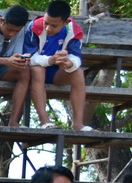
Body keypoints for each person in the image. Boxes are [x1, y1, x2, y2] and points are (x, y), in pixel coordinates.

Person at [24, 1, 88, 131]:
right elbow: (28, 57)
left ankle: (78, 124)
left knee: (78, 72)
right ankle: (45, 121)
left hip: (57, 73)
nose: (48, 28)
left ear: (65, 23)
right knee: (38, 70)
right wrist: (50, 60)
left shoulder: (74, 31)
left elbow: (76, 57)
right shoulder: (34, 27)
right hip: (34, 72)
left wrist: (70, 63)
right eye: (46, 23)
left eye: (54, 25)